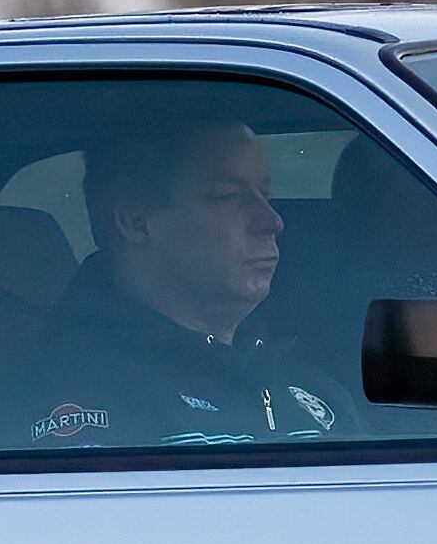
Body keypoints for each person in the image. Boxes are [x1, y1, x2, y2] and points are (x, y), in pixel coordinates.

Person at [20, 117, 351, 449]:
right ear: (137, 222)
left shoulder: (311, 387)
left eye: (264, 195)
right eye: (228, 196)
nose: (272, 221)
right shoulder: (80, 392)